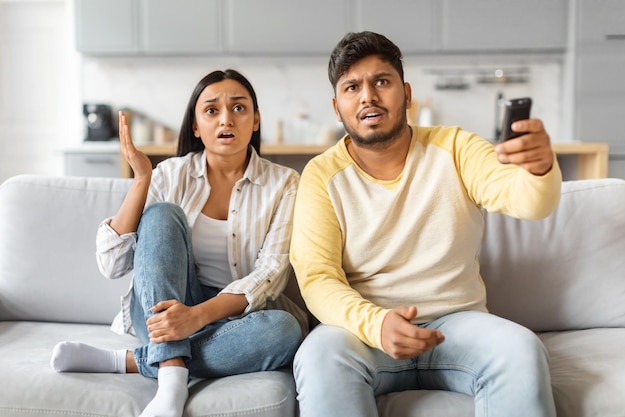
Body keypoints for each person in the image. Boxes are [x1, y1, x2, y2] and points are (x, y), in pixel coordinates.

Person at [290, 31, 561, 417]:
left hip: (458, 325)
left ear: (407, 93)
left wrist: (539, 169)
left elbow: (527, 201)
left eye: (381, 81)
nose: (368, 96)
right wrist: (376, 323)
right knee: (320, 356)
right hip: (363, 332)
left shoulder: (456, 148)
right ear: (338, 107)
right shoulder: (321, 175)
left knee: (521, 348)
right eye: (353, 87)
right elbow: (317, 278)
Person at [50, 69, 303, 417]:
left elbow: (271, 272)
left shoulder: (285, 183)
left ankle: (124, 361)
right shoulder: (170, 174)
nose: (226, 119)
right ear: (196, 126)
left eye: (239, 108)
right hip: (160, 313)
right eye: (212, 110)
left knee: (286, 330)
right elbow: (112, 264)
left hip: (231, 320)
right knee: (162, 214)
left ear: (255, 119)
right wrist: (142, 179)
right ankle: (170, 375)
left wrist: (197, 317)